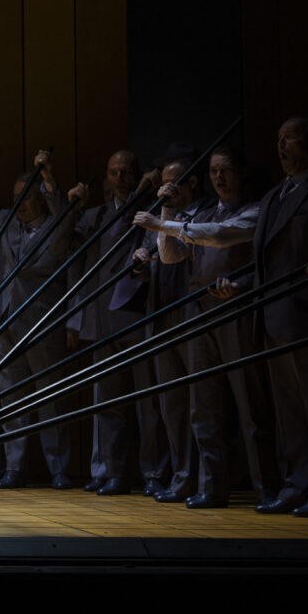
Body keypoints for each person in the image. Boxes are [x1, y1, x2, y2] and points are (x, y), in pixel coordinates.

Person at [137, 145, 276, 508]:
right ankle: (212, 487)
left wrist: (163, 223)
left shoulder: (256, 209)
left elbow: (220, 235)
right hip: (200, 311)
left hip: (237, 310)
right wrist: (166, 208)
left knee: (249, 405)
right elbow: (168, 256)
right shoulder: (204, 210)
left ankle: (267, 487)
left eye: (225, 170)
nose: (219, 177)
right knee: (203, 405)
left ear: (241, 173)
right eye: (214, 171)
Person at [0, 149, 77, 489]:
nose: (21, 205)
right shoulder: (4, 223)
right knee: (10, 399)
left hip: (40, 322)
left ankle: (59, 469)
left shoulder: (56, 225)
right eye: (16, 198)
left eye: (28, 198)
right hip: (4, 321)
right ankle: (15, 468)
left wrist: (50, 180)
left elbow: (64, 220)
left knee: (50, 397)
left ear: (40, 198)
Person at [243, 118, 308, 517]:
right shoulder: (272, 197)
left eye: (290, 138)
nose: (281, 145)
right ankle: (296, 483)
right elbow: (265, 261)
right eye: (278, 138)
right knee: (290, 413)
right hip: (272, 319)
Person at [69, 151, 159, 496]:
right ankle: (114, 472)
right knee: (108, 404)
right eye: (112, 172)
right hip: (102, 320)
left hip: (138, 317)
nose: (119, 179)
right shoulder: (96, 217)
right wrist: (72, 205)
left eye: (125, 172)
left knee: (147, 403)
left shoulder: (148, 213)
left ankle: (152, 473)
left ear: (137, 176)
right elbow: (63, 245)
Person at [131, 150, 202, 501]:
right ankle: (180, 476)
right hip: (161, 313)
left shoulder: (201, 214)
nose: (164, 191)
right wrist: (141, 264)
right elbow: (154, 254)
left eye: (171, 184)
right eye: (162, 185)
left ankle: (204, 478)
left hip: (190, 314)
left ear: (191, 183)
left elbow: (178, 251)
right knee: (169, 404)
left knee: (200, 403)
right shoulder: (162, 215)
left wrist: (167, 215)